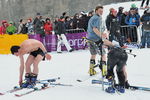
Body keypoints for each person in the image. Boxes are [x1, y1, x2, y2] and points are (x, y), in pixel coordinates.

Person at [87, 5, 113, 76]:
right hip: (96, 39)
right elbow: (95, 29)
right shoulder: (97, 18)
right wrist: (102, 35)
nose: (101, 12)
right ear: (96, 11)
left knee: (93, 54)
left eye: (102, 11)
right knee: (103, 55)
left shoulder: (93, 17)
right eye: (100, 11)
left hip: (90, 39)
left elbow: (99, 28)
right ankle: (104, 72)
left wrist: (104, 32)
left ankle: (91, 70)